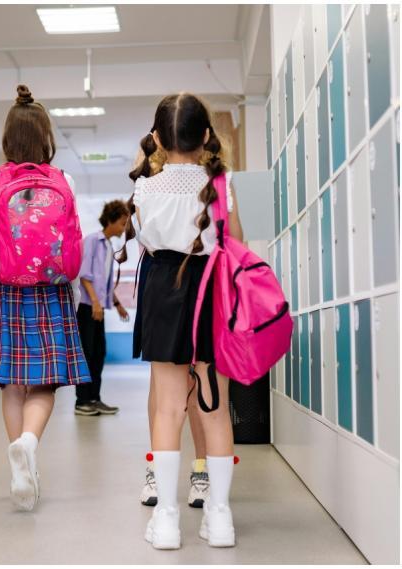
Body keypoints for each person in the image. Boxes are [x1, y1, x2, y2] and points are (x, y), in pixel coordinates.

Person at [119, 92, 244, 549]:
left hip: (163, 295)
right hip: (211, 295)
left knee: (168, 408)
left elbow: (148, 248)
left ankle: (168, 520)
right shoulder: (219, 186)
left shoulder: (145, 188)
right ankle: (220, 518)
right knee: (214, 409)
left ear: (156, 139)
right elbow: (234, 246)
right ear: (207, 136)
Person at [0, 85, 91, 512]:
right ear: (46, 136)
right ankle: (30, 445)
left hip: (4, 288)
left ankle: (20, 461)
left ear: (7, 138)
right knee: (45, 381)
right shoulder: (64, 179)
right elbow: (71, 241)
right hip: (51, 289)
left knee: (13, 384)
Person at [136, 251, 211, 509]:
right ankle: (156, 466)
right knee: (162, 381)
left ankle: (203, 469)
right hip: (163, 266)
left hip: (204, 269)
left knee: (198, 382)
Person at [74, 200, 130, 416]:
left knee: (98, 353)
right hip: (87, 307)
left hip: (98, 307)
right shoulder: (92, 241)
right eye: (122, 223)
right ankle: (82, 401)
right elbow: (85, 274)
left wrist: (117, 304)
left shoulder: (107, 245)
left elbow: (103, 281)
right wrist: (96, 303)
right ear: (112, 220)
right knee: (87, 353)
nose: (123, 228)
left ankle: (95, 399)